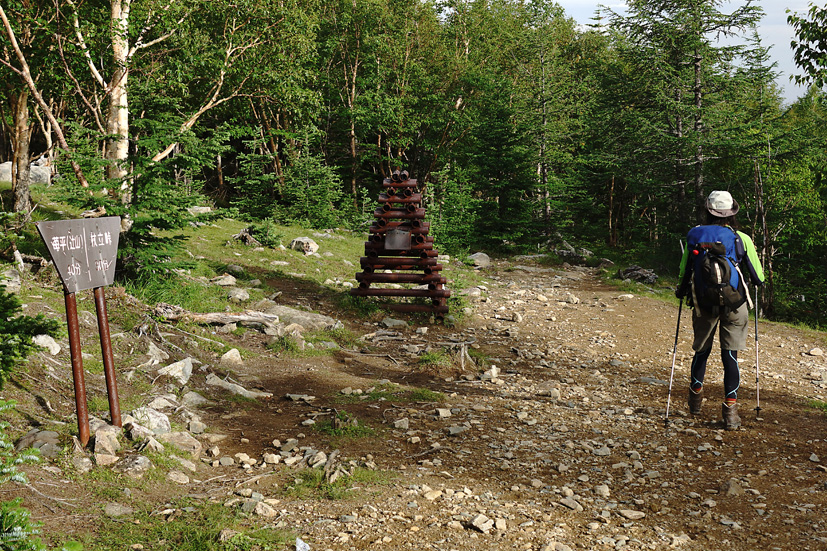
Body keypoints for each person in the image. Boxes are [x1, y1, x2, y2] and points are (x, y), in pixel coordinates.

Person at [676, 191, 765, 430]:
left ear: (708, 210)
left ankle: (695, 397)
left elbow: (685, 271)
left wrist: (681, 291)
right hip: (735, 304)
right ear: (732, 212)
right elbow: (758, 278)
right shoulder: (741, 238)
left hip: (703, 303)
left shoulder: (694, 234)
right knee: (730, 356)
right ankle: (731, 411)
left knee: (702, 351)